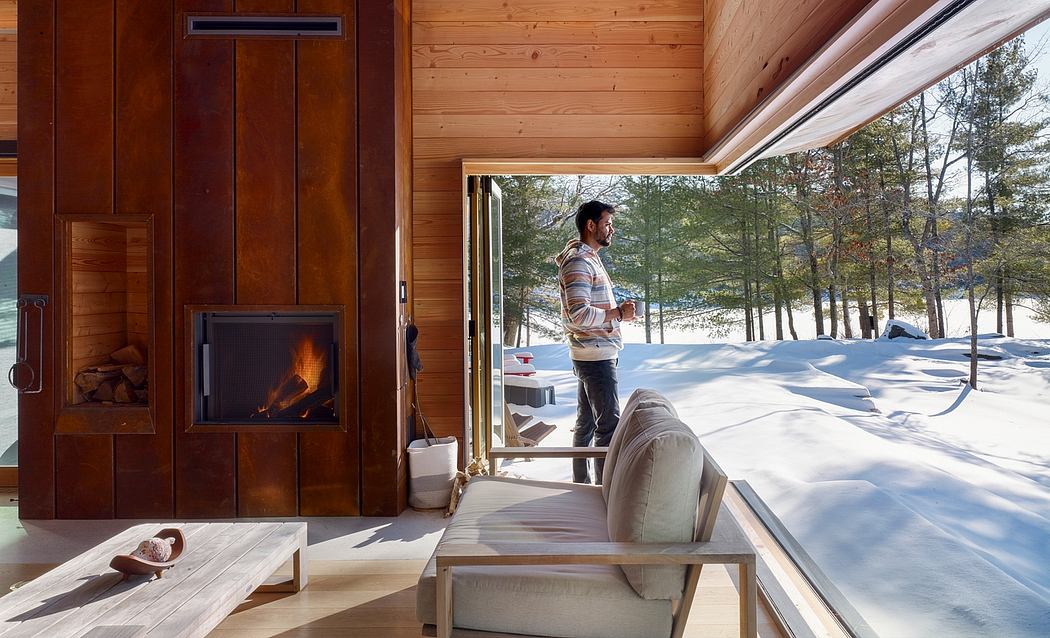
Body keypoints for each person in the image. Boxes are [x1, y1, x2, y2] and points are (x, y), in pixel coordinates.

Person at [555, 200, 636, 484]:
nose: (611, 230)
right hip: (595, 356)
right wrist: (617, 314)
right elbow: (579, 313)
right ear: (591, 226)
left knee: (587, 423)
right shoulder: (578, 261)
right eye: (607, 224)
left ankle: (581, 486)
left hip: (593, 352)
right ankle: (604, 494)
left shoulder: (587, 257)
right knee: (608, 428)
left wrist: (618, 315)